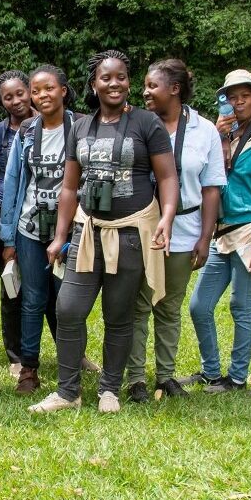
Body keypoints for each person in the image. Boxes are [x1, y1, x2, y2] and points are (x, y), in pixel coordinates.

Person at [30, 50, 178, 414]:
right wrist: (61, 236)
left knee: (119, 314)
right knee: (68, 309)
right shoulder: (80, 127)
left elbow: (168, 176)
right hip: (87, 232)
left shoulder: (147, 124)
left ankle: (109, 388)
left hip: (130, 234)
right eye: (106, 78)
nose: (115, 83)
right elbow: (69, 188)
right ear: (93, 84)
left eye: (122, 77)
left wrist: (167, 216)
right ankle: (67, 391)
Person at [125, 59, 225, 401]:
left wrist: (205, 237)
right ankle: (136, 378)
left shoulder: (204, 130)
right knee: (138, 305)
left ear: (175, 89)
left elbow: (212, 187)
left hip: (186, 228)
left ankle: (165, 376)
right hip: (141, 228)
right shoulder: (136, 124)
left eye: (153, 86)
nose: (145, 92)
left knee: (168, 306)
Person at [182, 69, 251, 394]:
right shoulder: (221, 136)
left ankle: (236, 378)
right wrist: (217, 134)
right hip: (221, 233)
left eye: (245, 96)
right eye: (232, 97)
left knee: (241, 307)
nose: (238, 103)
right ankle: (212, 372)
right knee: (199, 305)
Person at [0, 64, 74, 395]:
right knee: (32, 299)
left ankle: (70, 364)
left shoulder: (81, 128)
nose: (42, 95)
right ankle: (29, 368)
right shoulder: (27, 131)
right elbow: (14, 181)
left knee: (67, 300)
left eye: (49, 89)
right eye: (37, 90)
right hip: (30, 228)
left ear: (63, 91)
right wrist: (8, 235)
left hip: (71, 232)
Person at [0, 70, 34, 378]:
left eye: (20, 93)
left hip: (41, 212)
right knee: (12, 285)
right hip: (3, 212)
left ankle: (73, 352)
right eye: (8, 97)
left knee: (55, 286)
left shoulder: (56, 125)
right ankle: (15, 356)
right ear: (2, 102)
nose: (16, 101)